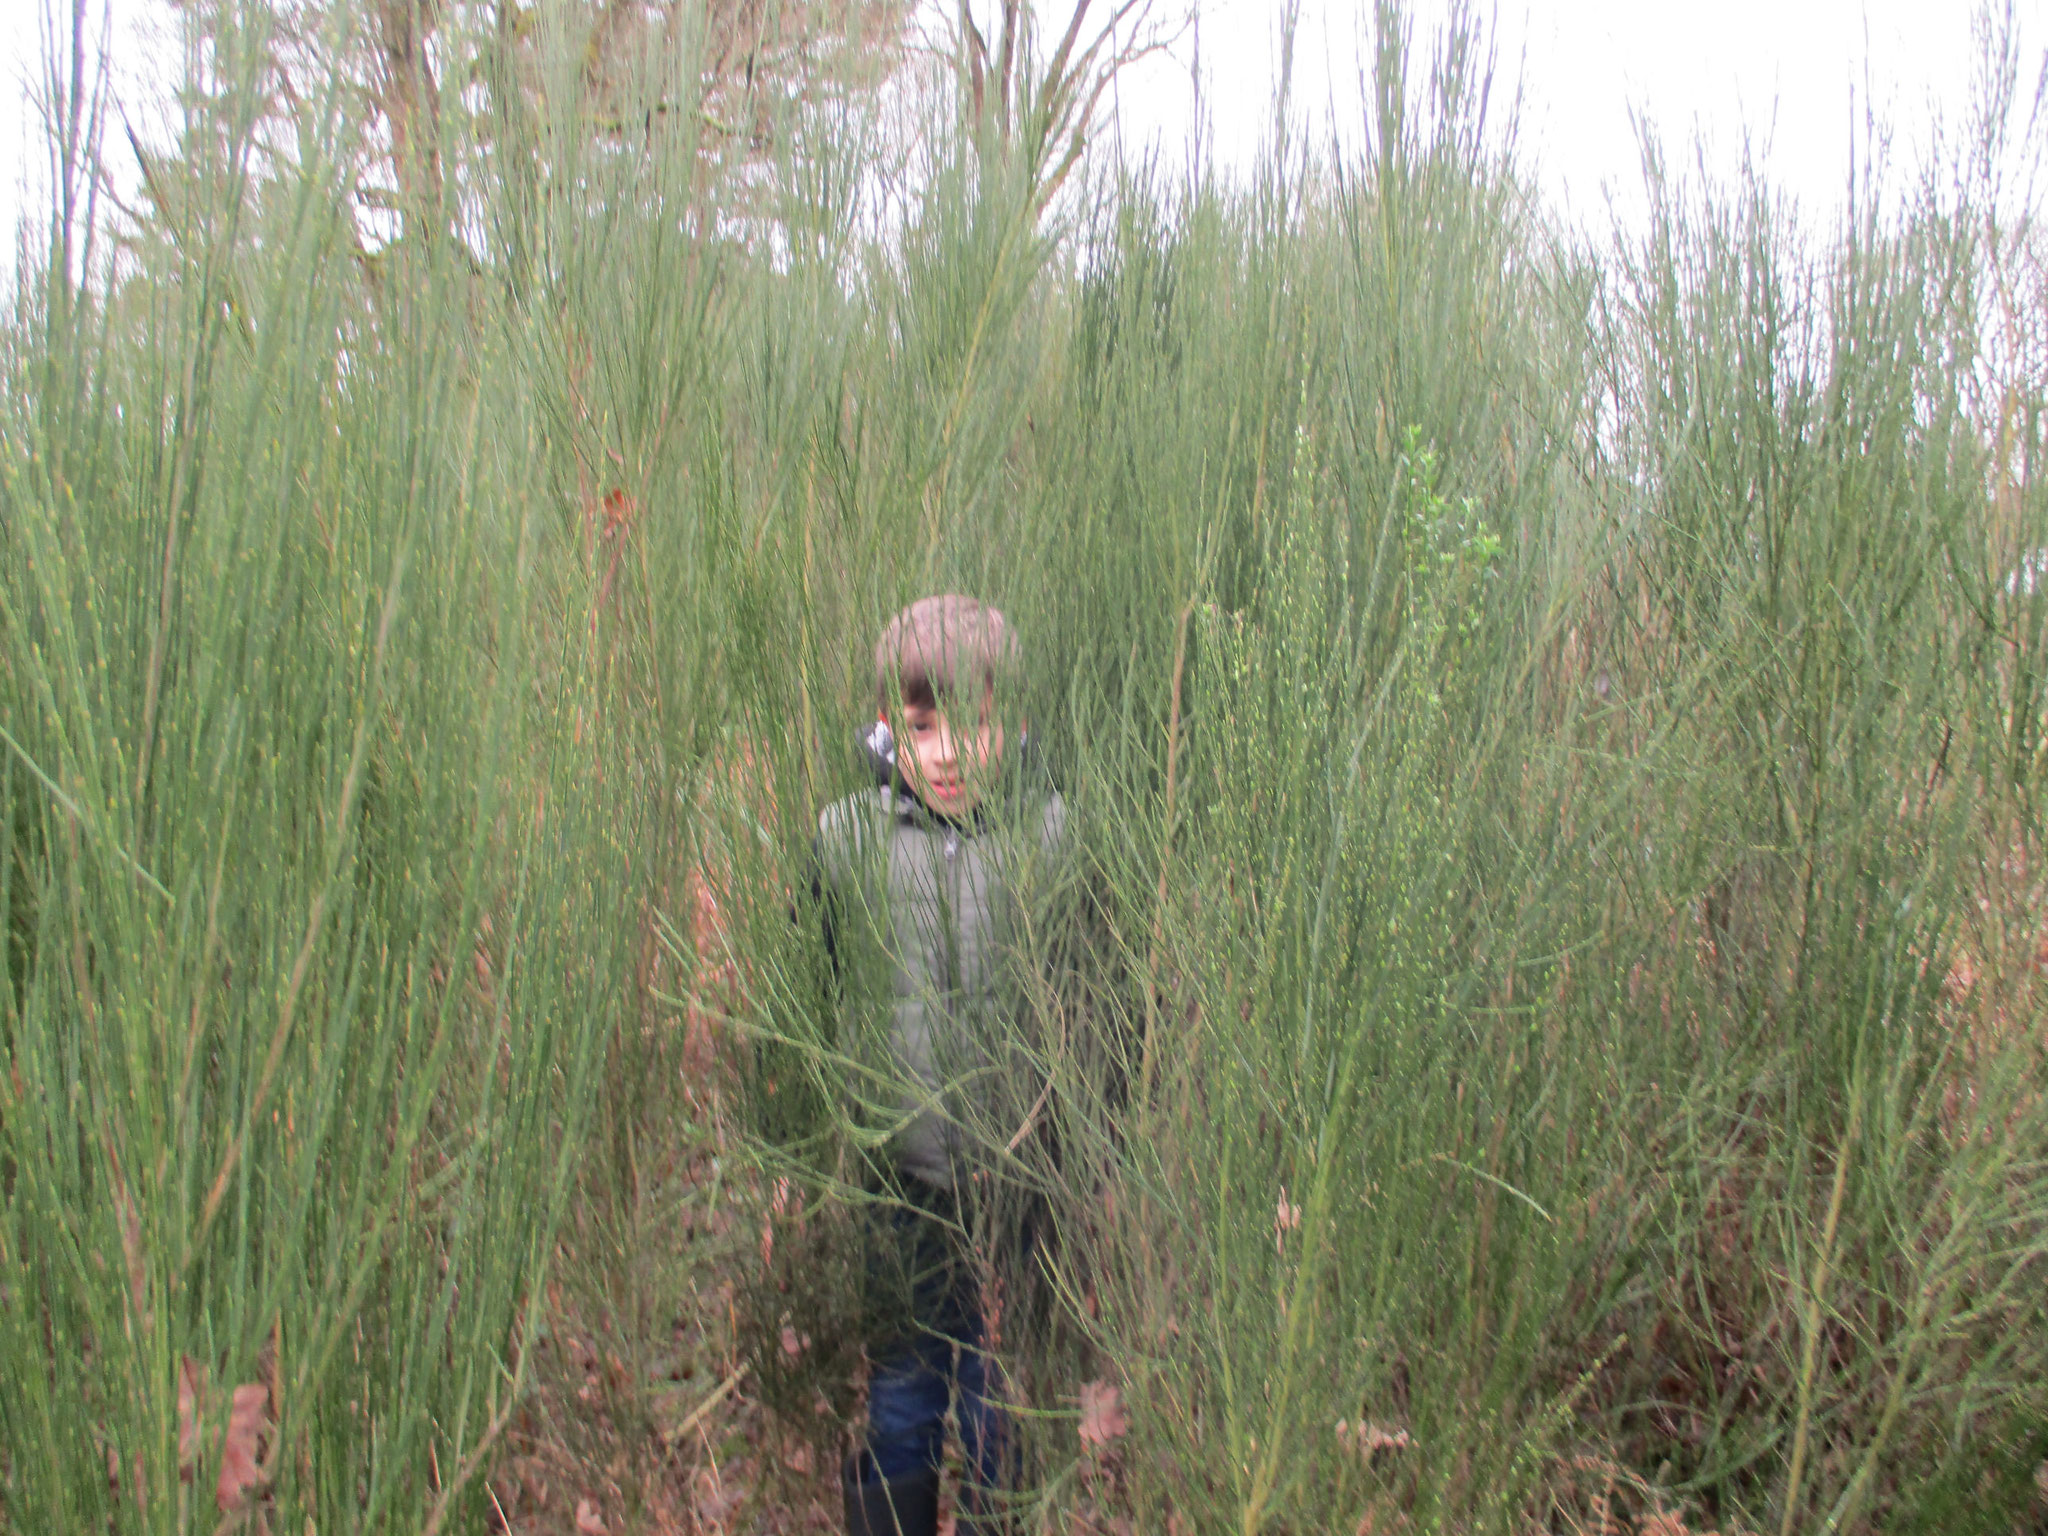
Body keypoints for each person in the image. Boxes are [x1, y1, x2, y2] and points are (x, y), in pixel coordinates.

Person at [812, 594, 1068, 1536]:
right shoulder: (844, 841)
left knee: (1006, 1411)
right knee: (903, 1404)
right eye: (924, 726)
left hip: (1019, 1199)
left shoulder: (1054, 839)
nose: (950, 749)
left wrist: (1089, 1174)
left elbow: (1094, 1011)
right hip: (897, 1192)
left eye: (977, 720)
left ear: (1021, 721)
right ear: (888, 725)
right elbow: (810, 994)